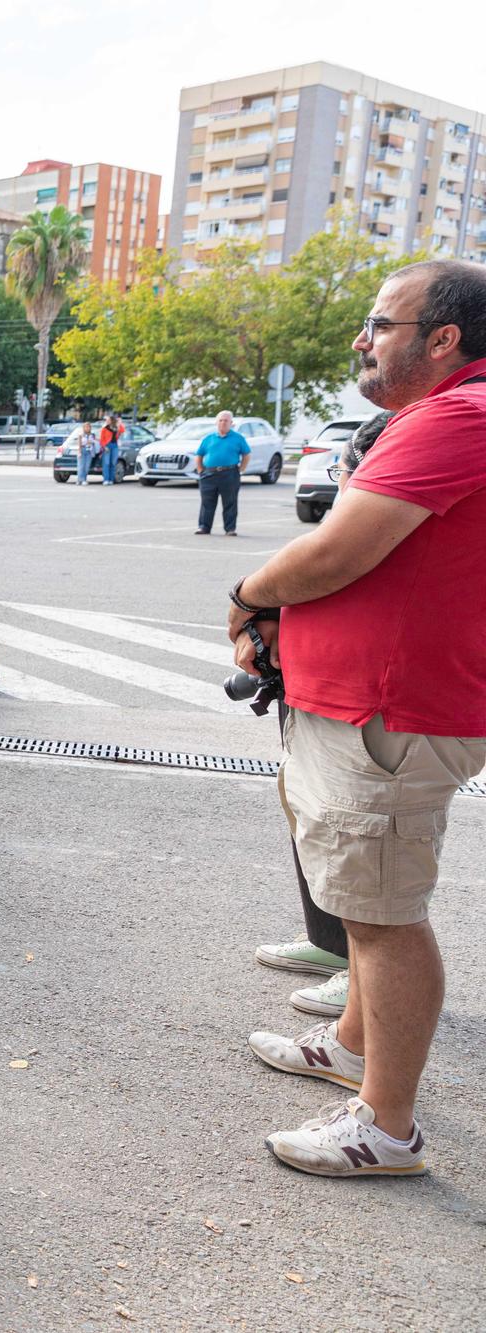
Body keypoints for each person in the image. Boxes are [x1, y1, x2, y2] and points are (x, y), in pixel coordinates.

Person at [234, 259, 486, 1177]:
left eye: (380, 323)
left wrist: (248, 592)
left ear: (444, 337)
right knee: (360, 891)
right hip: (363, 702)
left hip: (391, 710)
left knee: (382, 916)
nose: (362, 339)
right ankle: (352, 1044)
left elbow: (340, 548)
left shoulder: (459, 414)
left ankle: (388, 1124)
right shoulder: (440, 416)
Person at [252, 413, 393, 1021]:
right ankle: (332, 946)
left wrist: (248, 602)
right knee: (316, 826)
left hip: (367, 708)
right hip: (317, 696)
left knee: (370, 867)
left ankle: (364, 993)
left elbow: (330, 571)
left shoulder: (379, 524)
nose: (341, 477)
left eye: (346, 467)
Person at [195, 411, 249, 536]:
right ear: (216, 422)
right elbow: (199, 455)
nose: (223, 423)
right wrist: (200, 470)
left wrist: (241, 469)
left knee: (230, 502)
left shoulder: (238, 438)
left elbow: (246, 454)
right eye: (221, 420)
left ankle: (230, 529)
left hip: (229, 473)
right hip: (209, 474)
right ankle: (204, 527)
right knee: (207, 502)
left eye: (226, 421)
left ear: (231, 423)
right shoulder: (208, 438)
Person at [69, 418, 99, 486]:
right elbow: (79, 444)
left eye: (88, 427)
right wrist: (79, 451)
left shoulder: (92, 435)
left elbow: (96, 441)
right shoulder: (81, 435)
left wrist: (93, 442)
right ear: (83, 428)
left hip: (90, 451)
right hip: (82, 450)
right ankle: (79, 479)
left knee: (87, 466)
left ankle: (84, 479)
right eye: (86, 427)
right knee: (81, 466)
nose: (87, 428)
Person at [98, 411, 123, 486]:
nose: (107, 421)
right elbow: (101, 440)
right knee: (106, 463)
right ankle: (106, 479)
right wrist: (104, 447)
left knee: (113, 463)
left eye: (109, 420)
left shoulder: (116, 428)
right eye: (106, 420)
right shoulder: (104, 429)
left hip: (115, 445)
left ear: (112, 420)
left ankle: (111, 480)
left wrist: (120, 423)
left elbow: (122, 430)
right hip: (107, 446)